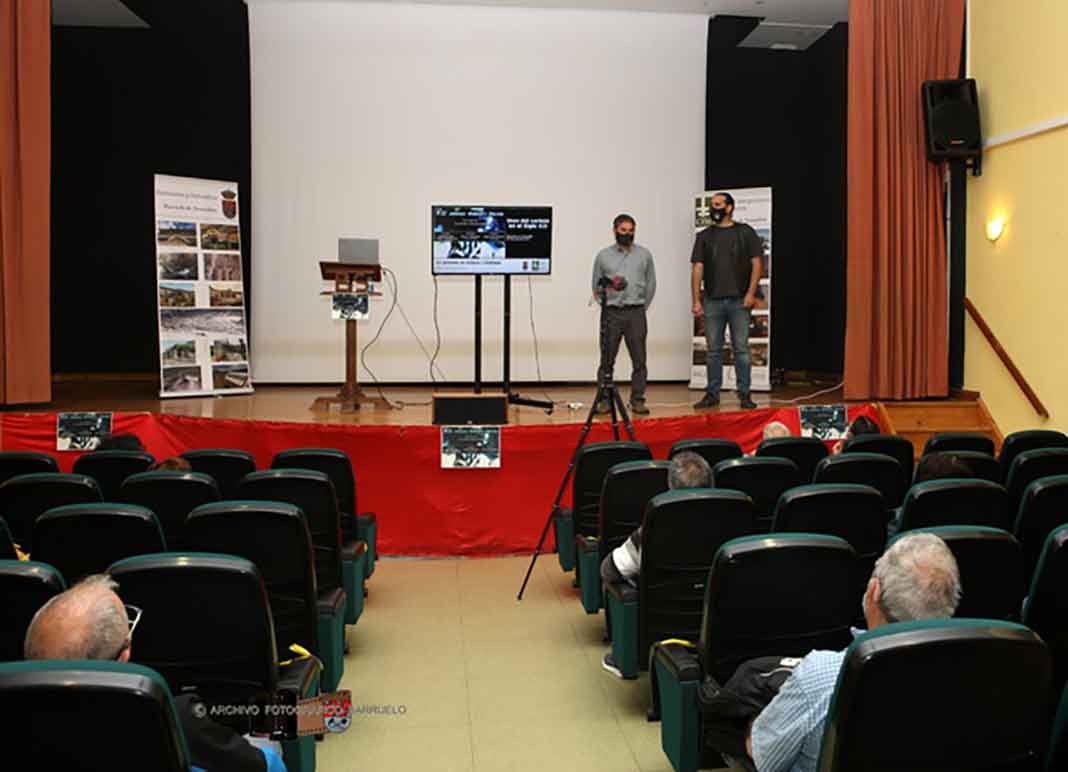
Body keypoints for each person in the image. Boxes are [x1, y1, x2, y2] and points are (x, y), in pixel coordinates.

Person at [24, 574, 287, 772]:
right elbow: (266, 766)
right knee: (273, 738)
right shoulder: (174, 720)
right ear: (123, 658)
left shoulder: (21, 725)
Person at [744, 532, 961, 772]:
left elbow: (765, 760)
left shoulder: (820, 677)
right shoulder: (972, 676)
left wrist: (755, 725)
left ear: (873, 591)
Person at [600, 451, 713, 677]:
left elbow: (609, 570)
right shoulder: (735, 520)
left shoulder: (653, 529)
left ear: (669, 487)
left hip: (662, 623)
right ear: (711, 484)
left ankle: (625, 658)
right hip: (711, 624)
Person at [691, 193, 764, 411]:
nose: (714, 208)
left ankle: (745, 394)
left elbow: (757, 264)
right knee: (713, 350)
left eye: (718, 204)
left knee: (741, 349)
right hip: (712, 301)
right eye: (712, 205)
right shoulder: (704, 236)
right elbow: (697, 268)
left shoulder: (745, 232)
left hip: (739, 301)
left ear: (729, 207)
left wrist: (751, 293)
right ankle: (712, 394)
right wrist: (696, 300)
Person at [591, 213, 657, 416]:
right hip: (611, 314)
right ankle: (604, 401)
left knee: (639, 360)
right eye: (623, 230)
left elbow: (651, 284)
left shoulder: (644, 255)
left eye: (631, 231)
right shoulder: (603, 256)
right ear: (615, 231)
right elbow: (597, 287)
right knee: (607, 360)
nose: (627, 234)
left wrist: (641, 306)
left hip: (636, 312)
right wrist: (611, 294)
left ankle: (637, 400)